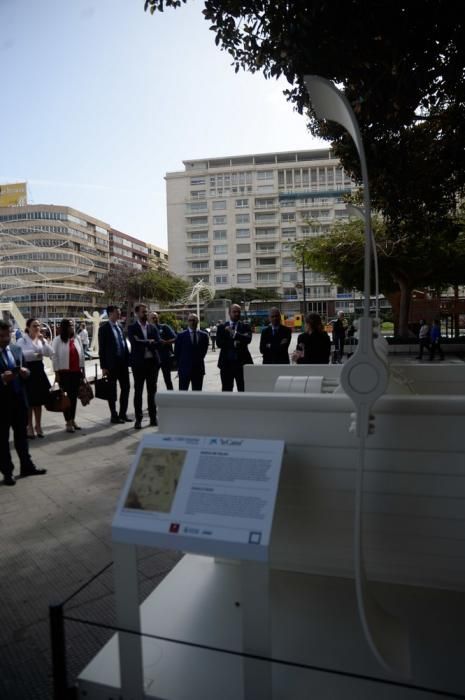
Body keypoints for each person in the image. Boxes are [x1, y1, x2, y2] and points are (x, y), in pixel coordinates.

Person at [0, 319, 46, 485]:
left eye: (8, 335)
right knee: (3, 440)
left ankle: (26, 466)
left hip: (19, 400)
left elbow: (24, 368)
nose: (6, 339)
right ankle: (7, 472)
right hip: (2, 404)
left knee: (22, 437)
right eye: (2, 336)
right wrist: (2, 378)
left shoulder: (16, 349)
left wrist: (26, 373)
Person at [17, 318, 54, 438]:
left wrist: (44, 342)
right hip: (28, 372)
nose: (37, 328)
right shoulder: (22, 340)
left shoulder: (40, 340)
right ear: (28, 327)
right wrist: (36, 354)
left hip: (39, 371)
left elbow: (50, 352)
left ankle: (38, 425)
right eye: (34, 326)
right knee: (29, 402)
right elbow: (20, 354)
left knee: (38, 402)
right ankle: (30, 426)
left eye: (38, 325)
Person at [128, 303, 161, 429]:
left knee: (152, 392)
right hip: (139, 365)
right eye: (143, 312)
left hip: (152, 363)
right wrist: (149, 341)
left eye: (146, 312)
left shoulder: (152, 328)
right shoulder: (132, 328)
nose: (145, 314)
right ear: (136, 313)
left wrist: (144, 342)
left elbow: (158, 343)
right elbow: (134, 344)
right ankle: (138, 419)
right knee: (138, 392)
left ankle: (153, 418)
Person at [52, 319, 86, 433]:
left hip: (76, 373)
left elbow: (81, 355)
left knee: (74, 398)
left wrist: (83, 371)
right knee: (66, 399)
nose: (72, 326)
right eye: (70, 325)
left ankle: (73, 419)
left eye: (73, 325)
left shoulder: (77, 339)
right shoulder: (57, 340)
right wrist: (56, 373)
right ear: (65, 327)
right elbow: (54, 357)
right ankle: (68, 422)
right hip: (64, 373)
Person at [98, 306, 131, 424]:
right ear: (110, 313)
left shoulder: (120, 326)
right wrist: (103, 367)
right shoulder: (104, 329)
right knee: (111, 391)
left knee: (126, 388)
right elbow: (102, 349)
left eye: (120, 312)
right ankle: (114, 415)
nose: (119, 314)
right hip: (111, 365)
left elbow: (123, 343)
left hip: (123, 363)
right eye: (117, 312)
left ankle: (123, 413)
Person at [216, 304, 253, 392]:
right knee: (226, 390)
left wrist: (234, 333)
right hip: (226, 365)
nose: (237, 314)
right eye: (234, 312)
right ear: (229, 313)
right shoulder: (221, 327)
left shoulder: (245, 326)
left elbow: (248, 339)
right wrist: (234, 343)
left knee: (243, 389)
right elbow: (219, 343)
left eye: (238, 312)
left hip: (242, 365)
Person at [174, 313, 209, 390]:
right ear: (187, 321)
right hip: (184, 370)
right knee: (183, 394)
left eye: (194, 320)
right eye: (190, 320)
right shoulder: (180, 336)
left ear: (198, 321)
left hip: (198, 370)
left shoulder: (204, 336)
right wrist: (180, 367)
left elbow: (204, 352)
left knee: (197, 395)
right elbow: (177, 353)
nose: (192, 322)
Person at [149, 312, 177, 391]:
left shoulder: (164, 327)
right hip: (153, 359)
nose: (155, 319)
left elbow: (175, 338)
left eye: (156, 317)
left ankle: (171, 396)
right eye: (152, 317)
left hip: (165, 357)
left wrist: (166, 342)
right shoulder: (147, 329)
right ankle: (153, 399)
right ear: (149, 319)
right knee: (153, 381)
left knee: (167, 380)